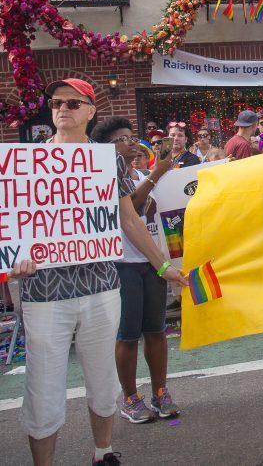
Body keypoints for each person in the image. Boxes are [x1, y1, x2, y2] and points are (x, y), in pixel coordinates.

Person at [6, 79, 149, 465]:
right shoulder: (25, 162)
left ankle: (103, 452)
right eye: (56, 103)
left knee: (103, 380)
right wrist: (14, 258)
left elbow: (129, 219)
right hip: (44, 292)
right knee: (43, 388)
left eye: (72, 103)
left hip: (100, 287)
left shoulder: (107, 160)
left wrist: (163, 265)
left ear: (90, 111)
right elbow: (8, 223)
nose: (62, 109)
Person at [91, 117, 188, 425]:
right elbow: (131, 207)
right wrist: (158, 174)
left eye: (132, 137)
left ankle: (160, 392)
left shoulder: (144, 175)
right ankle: (131, 398)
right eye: (121, 139)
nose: (131, 144)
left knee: (156, 331)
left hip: (153, 264)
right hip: (123, 266)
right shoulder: (102, 178)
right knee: (128, 335)